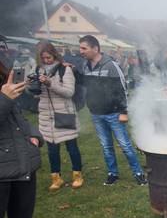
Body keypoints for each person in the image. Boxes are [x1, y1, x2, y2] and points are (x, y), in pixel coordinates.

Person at [0, 68, 60, 218]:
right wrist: (3, 99)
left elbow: (20, 117)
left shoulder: (6, 77)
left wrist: (34, 136)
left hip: (23, 164)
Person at [78, 35, 146, 186]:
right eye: (80, 48)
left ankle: (139, 173)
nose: (81, 51)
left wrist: (123, 112)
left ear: (95, 48)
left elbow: (121, 89)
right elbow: (83, 85)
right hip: (96, 113)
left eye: (84, 48)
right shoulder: (85, 66)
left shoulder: (110, 65)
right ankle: (112, 173)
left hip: (114, 113)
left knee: (125, 145)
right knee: (106, 146)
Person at [35, 41, 84, 191]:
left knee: (72, 147)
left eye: (49, 57)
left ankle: (77, 175)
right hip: (46, 115)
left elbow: (69, 92)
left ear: (54, 54)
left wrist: (50, 83)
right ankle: (56, 178)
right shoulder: (37, 70)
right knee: (52, 150)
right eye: (43, 58)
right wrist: (31, 85)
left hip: (64, 113)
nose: (46, 61)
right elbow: (35, 92)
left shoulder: (65, 69)